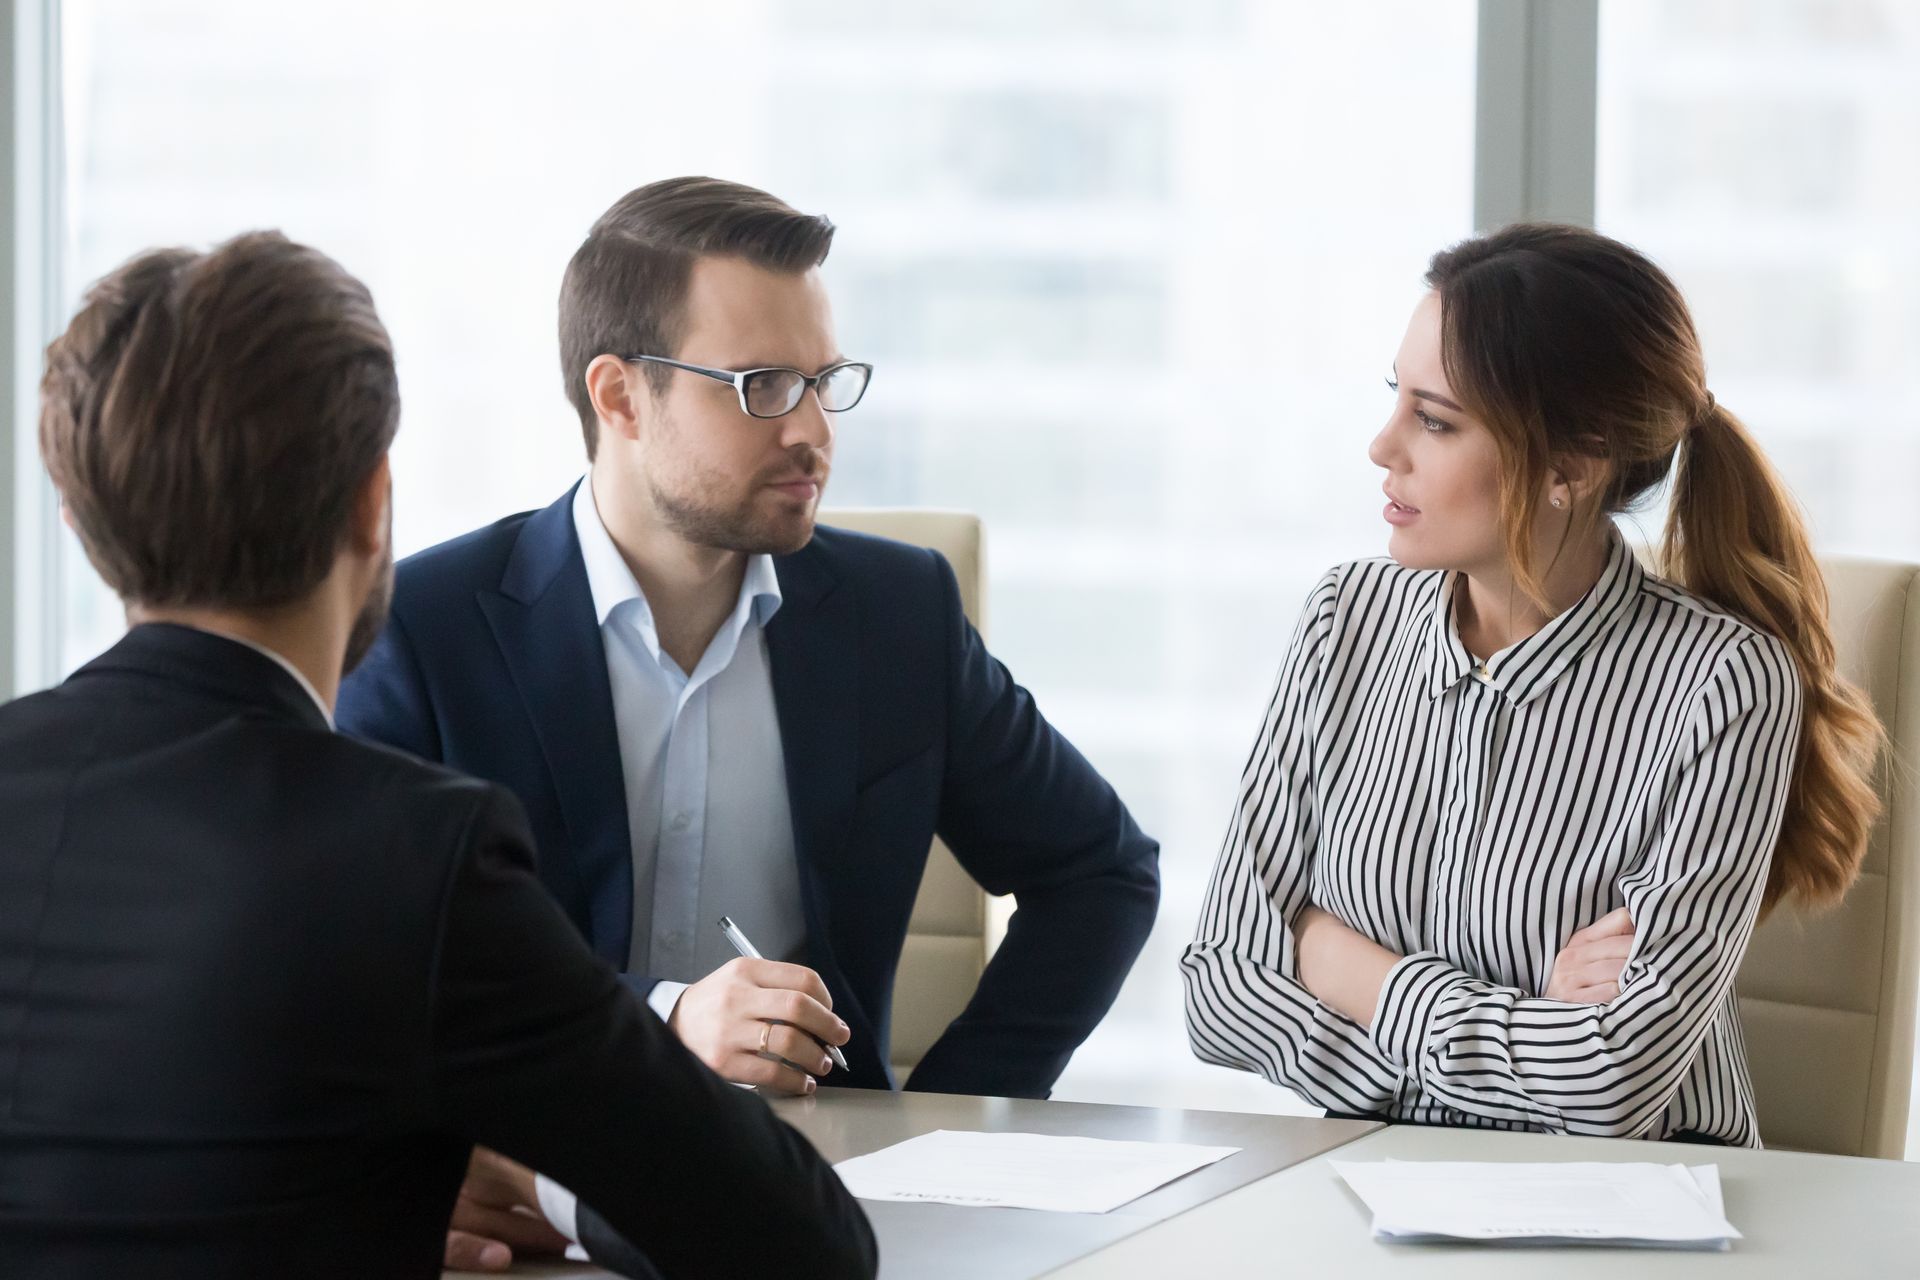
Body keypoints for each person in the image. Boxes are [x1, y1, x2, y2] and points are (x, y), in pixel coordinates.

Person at [0, 231, 876, 1279]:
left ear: (78, 515)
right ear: (373, 504)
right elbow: (800, 1243)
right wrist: (524, 1172)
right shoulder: (410, 851)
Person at [336, 174, 1159, 1262]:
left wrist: (949, 1120)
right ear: (621, 397)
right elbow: (360, 964)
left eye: (824, 382)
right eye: (764, 384)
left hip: (816, 1215)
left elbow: (1101, 873)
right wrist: (669, 1018)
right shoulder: (425, 626)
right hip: (527, 1201)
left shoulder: (897, 615)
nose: (814, 429)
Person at [1182, 223, 1881, 1147]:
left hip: (1634, 1217)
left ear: (1571, 465)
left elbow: (1616, 1087)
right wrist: (1532, 1028)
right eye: (1397, 400)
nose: (1382, 447)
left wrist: (1348, 969)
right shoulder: (1344, 620)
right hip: (1381, 1193)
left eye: (1435, 421)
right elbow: (1220, 991)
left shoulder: (1724, 683)